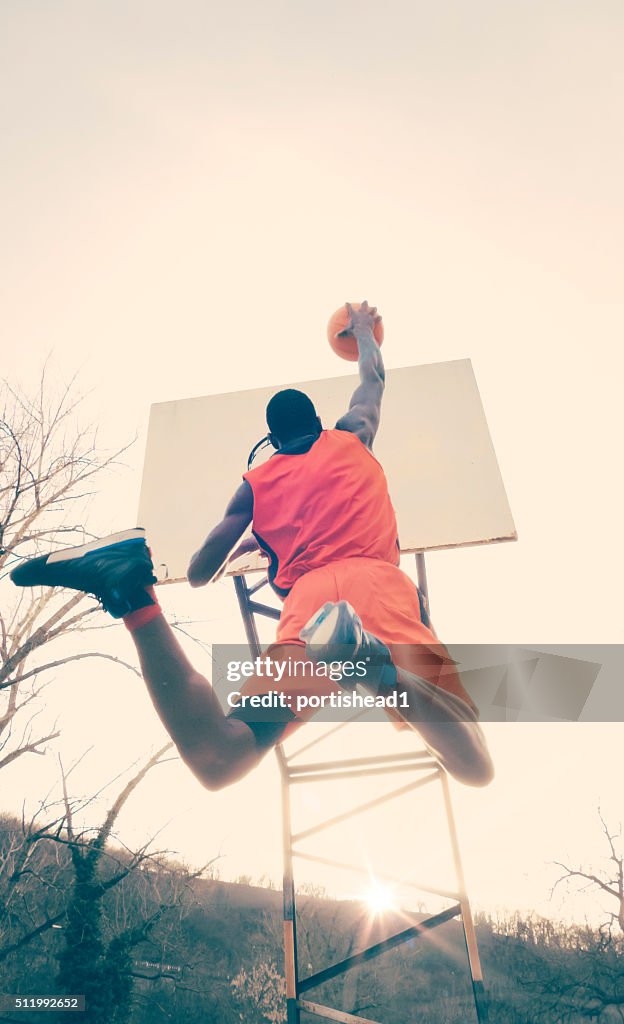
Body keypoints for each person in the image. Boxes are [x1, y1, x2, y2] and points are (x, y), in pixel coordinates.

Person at [10, 302, 494, 790]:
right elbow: (373, 379)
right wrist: (365, 332)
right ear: (318, 421)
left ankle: (131, 591)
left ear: (271, 438)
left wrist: (251, 538)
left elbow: (199, 571)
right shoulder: (352, 435)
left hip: (310, 610)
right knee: (474, 765)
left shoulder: (253, 487)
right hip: (376, 585)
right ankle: (374, 665)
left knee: (220, 756)